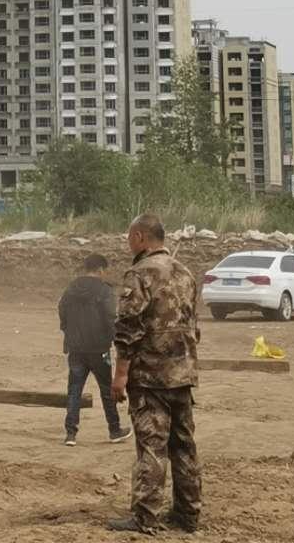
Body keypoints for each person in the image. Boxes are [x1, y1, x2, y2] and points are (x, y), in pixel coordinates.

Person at [108, 214, 201, 535]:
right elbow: (192, 324)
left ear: (140, 237)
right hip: (184, 374)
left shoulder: (139, 274)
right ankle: (188, 515)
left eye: (129, 236)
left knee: (151, 446)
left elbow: (128, 329)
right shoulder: (185, 273)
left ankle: (145, 516)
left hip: (150, 378)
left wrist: (120, 375)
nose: (127, 242)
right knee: (184, 446)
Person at [57, 252, 132, 448]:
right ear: (100, 270)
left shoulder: (71, 288)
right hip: (99, 348)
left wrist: (68, 331)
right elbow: (110, 318)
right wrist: (114, 339)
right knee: (107, 390)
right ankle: (114, 430)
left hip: (75, 349)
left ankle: (70, 434)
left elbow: (62, 311)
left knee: (74, 390)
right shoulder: (104, 290)